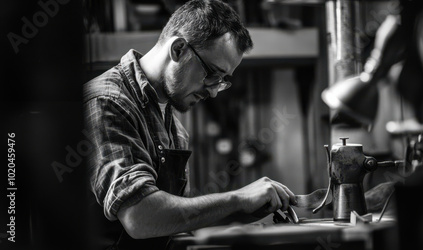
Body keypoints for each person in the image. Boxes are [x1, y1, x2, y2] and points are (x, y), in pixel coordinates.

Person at [83, 0, 297, 249]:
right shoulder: (108, 102)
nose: (214, 92)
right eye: (211, 74)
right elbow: (139, 216)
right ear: (178, 49)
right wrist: (238, 198)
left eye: (222, 81)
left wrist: (246, 214)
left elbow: (174, 222)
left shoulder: (173, 127)